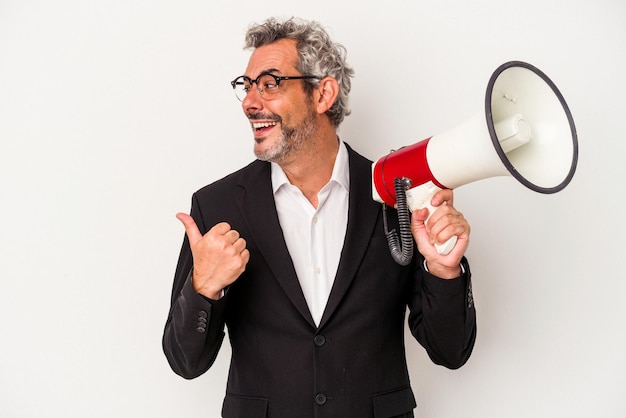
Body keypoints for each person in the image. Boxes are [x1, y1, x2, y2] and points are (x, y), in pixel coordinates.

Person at [163, 16, 476, 418]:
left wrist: (443, 271)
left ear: (323, 93)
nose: (250, 102)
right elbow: (185, 361)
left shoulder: (398, 194)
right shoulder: (217, 205)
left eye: (270, 83)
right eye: (247, 86)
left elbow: (450, 352)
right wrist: (202, 288)